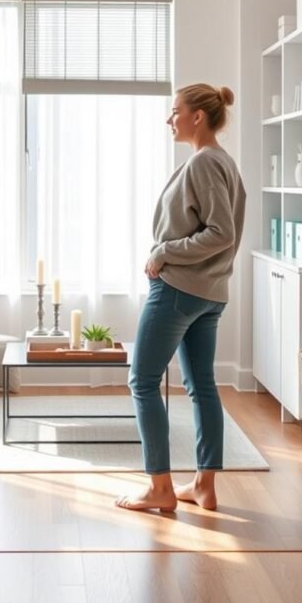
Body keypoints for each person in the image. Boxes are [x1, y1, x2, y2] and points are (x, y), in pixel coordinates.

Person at [116, 83, 246, 513]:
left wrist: (163, 253)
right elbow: (227, 235)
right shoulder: (224, 164)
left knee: (142, 379)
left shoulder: (205, 163)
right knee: (201, 385)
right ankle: (203, 486)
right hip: (209, 293)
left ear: (198, 118)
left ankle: (159, 488)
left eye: (175, 111)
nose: (169, 119)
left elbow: (220, 233)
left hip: (180, 289)